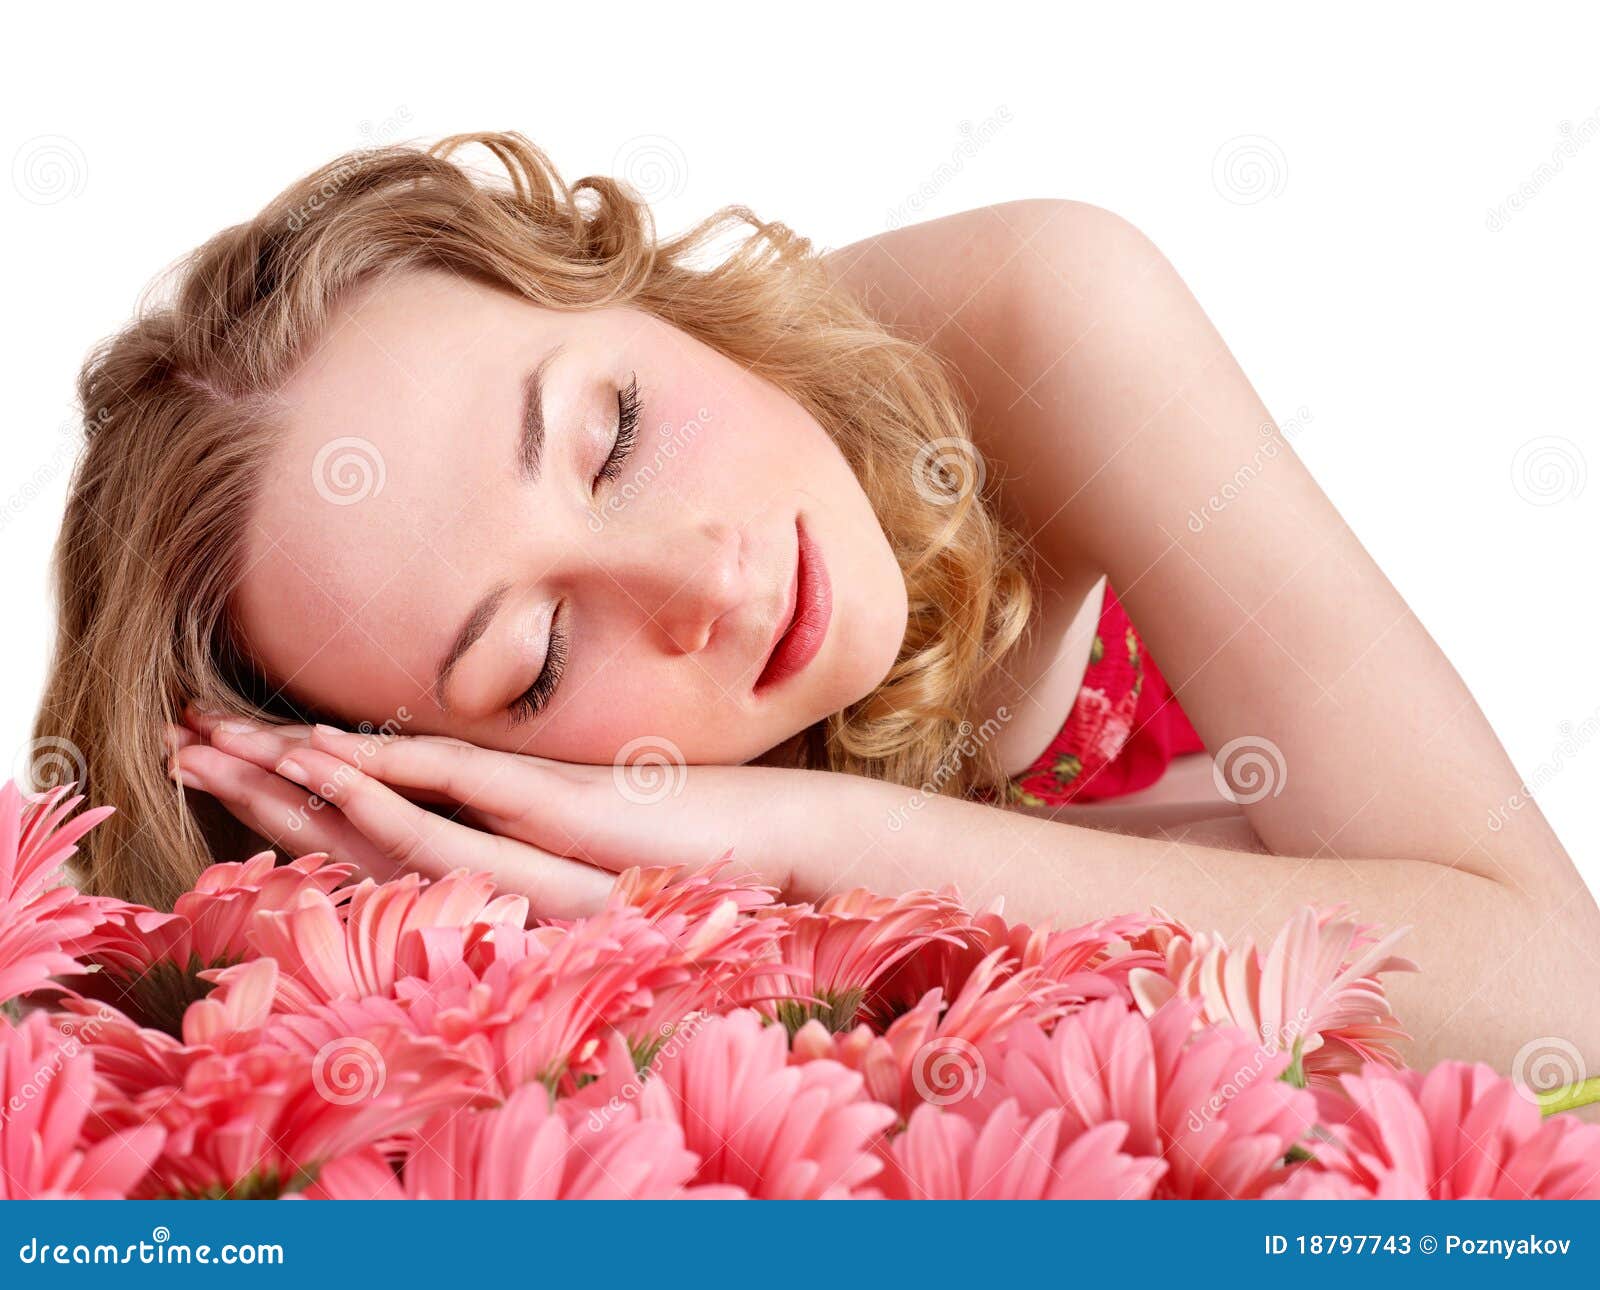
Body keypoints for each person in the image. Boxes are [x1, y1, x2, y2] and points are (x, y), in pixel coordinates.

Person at [35, 132, 1599, 1075]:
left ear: (618, 280)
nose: (705, 573)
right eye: (533, 659)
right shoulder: (545, 896)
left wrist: (819, 852)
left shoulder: (1041, 322)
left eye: (618, 431)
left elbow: (1555, 995)